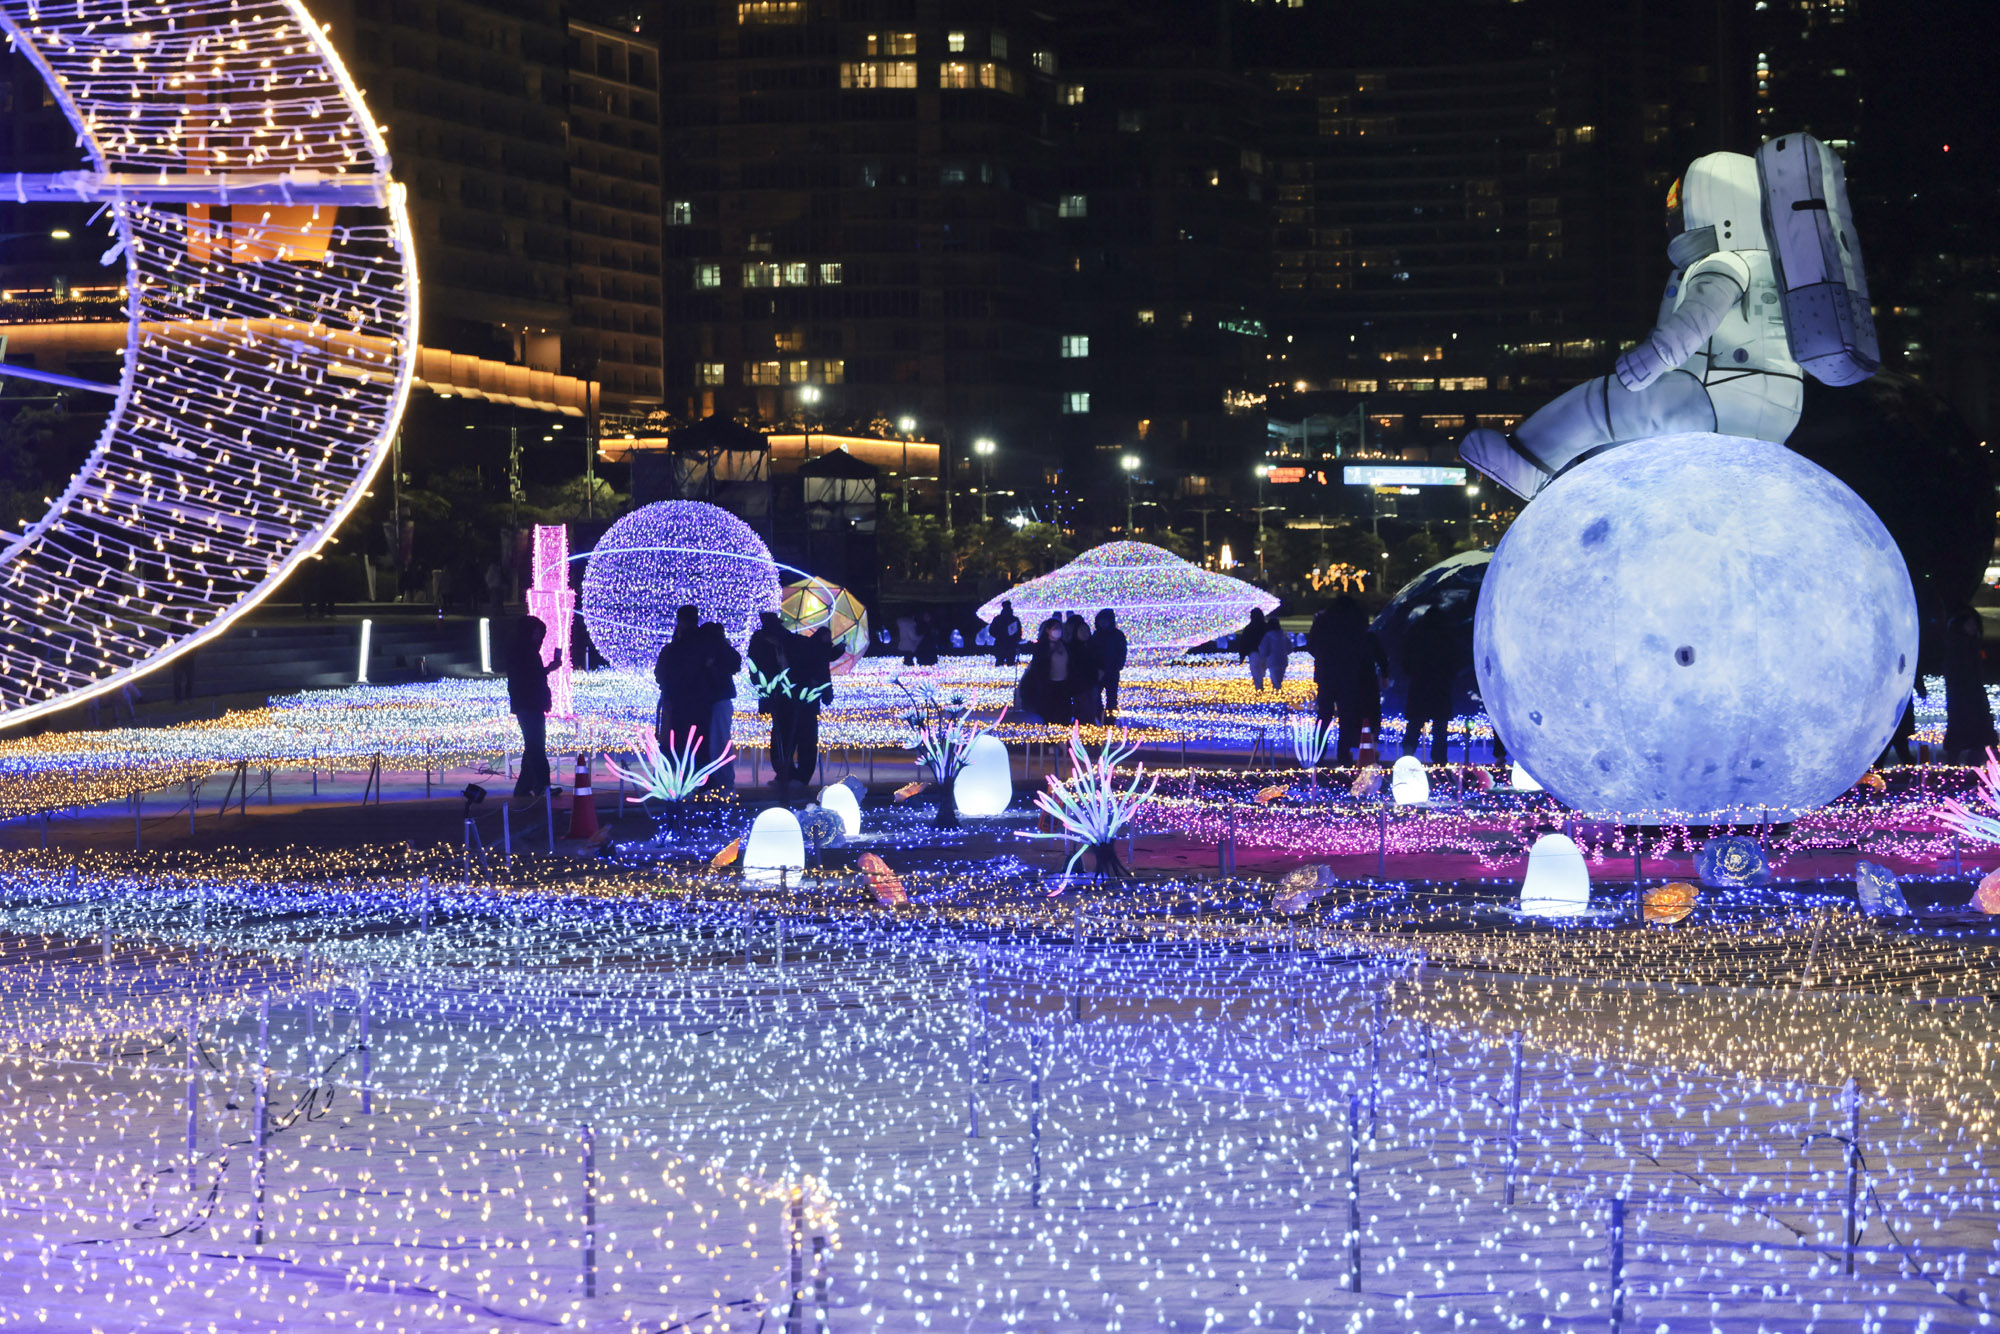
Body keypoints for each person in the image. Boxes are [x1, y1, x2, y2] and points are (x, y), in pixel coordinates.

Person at [1308, 596, 1387, 764]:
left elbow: (1312, 645)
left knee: (1324, 716)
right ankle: (1343, 754)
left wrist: (1324, 660)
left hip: (1326, 675)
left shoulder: (1323, 620)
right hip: (1349, 674)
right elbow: (1364, 647)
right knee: (1346, 717)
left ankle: (1318, 754)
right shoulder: (1357, 621)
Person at [508, 616, 561, 799]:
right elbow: (527, 678)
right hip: (528, 705)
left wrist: (547, 669)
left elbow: (533, 676)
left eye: (540, 633)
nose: (538, 637)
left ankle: (524, 788)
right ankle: (542, 786)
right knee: (536, 746)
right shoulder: (522, 653)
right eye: (535, 632)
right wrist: (547, 670)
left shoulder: (527, 652)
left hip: (531, 704)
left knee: (533, 746)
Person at [1398, 607, 1459, 764]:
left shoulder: (1415, 633)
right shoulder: (1447, 635)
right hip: (1440, 686)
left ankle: (1407, 755)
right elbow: (1455, 660)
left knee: (1415, 723)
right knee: (1440, 727)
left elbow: (1405, 660)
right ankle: (1439, 762)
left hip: (1420, 684)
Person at [747, 611, 796, 785]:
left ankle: (785, 769)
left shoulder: (783, 639)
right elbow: (754, 665)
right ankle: (783, 769)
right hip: (776, 690)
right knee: (781, 730)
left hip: (785, 690)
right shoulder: (761, 640)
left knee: (784, 730)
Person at [1942, 604, 1995, 763]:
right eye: (1969, 624)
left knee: (1974, 736)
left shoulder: (1971, 644)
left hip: (1972, 695)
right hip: (1964, 697)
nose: (1973, 627)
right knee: (1966, 733)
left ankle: (1968, 766)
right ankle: (1959, 768)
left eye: (1975, 624)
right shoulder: (1959, 646)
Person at [786, 625, 836, 784]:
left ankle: (796, 774)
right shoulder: (817, 652)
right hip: (807, 701)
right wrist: (827, 695)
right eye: (826, 636)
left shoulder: (816, 650)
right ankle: (800, 775)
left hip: (804, 700)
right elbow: (824, 674)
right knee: (806, 738)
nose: (829, 639)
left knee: (799, 737)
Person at [700, 618, 743, 788]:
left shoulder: (715, 651)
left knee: (717, 742)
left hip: (715, 699)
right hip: (720, 699)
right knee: (719, 741)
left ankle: (721, 781)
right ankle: (721, 780)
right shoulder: (724, 650)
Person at [1019, 617, 1073, 725]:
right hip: (1047, 685)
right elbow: (1038, 666)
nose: (1058, 631)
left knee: (1064, 711)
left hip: (1063, 684)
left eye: (1059, 628)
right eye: (1055, 628)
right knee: (1049, 711)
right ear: (1047, 630)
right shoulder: (1042, 646)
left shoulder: (1064, 645)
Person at [1064, 613, 1101, 725]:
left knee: (1093, 708)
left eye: (1086, 631)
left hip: (1092, 682)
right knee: (1082, 710)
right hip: (1079, 685)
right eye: (1081, 631)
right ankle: (1082, 734)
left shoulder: (1092, 645)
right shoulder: (1072, 648)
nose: (1085, 634)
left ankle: (1090, 732)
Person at [1093, 608, 1128, 720]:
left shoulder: (1118, 635)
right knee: (1096, 696)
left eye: (1105, 620)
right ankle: (1099, 717)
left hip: (1112, 672)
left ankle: (1110, 721)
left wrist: (1117, 666)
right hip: (1098, 672)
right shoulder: (1096, 635)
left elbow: (1122, 653)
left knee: (1112, 699)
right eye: (1101, 620)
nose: (1103, 623)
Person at [1238, 608, 1271, 690]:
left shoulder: (1249, 628)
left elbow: (1244, 642)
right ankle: (1260, 686)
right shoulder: (1266, 627)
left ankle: (1259, 687)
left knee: (1256, 671)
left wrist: (1242, 656)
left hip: (1254, 653)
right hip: (1265, 653)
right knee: (1262, 670)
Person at [991, 600, 1023, 667]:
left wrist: (999, 636)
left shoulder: (997, 619)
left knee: (1000, 661)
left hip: (1000, 643)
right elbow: (1019, 632)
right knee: (1010, 662)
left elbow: (992, 631)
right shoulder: (1014, 619)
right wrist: (1016, 639)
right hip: (1011, 644)